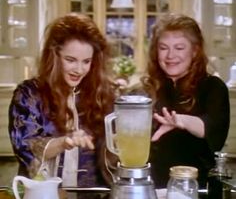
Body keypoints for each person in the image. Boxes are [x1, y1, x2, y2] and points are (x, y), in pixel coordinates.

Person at [8, 13, 117, 187]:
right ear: (54, 56)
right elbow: (25, 146)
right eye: (70, 60)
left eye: (86, 61)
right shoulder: (29, 93)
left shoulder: (101, 94)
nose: (79, 70)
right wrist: (64, 142)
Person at [141, 13, 230, 189]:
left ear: (195, 51)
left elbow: (211, 128)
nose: (170, 55)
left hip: (197, 188)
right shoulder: (147, 88)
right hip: (151, 186)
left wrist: (181, 121)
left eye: (179, 48)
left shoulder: (213, 87)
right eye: (163, 48)